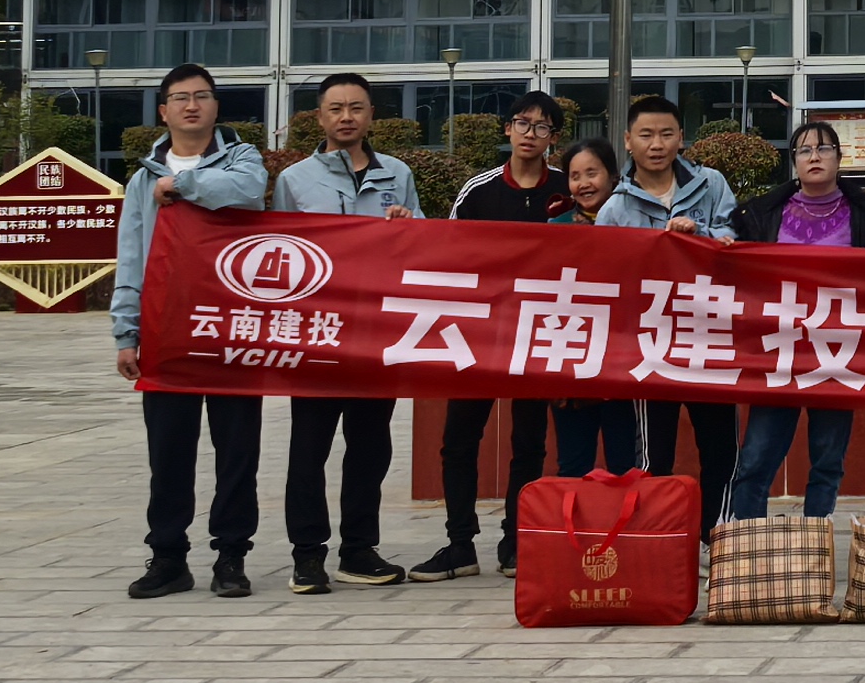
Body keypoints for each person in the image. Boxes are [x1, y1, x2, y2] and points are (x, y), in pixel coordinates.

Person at [109, 62, 275, 598]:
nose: (191, 106)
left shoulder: (243, 158)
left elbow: (247, 192)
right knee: (169, 449)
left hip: (232, 325)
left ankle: (231, 555)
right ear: (164, 110)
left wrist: (180, 184)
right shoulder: (140, 180)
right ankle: (168, 557)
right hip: (167, 327)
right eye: (180, 98)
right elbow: (131, 256)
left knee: (237, 448)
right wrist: (125, 332)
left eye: (202, 96)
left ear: (216, 107)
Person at [272, 72, 423, 593]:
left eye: (356, 108)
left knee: (369, 446)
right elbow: (281, 256)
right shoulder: (295, 180)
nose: (346, 117)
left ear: (370, 115)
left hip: (377, 333)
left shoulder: (397, 174)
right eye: (335, 108)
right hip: (317, 334)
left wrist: (407, 224)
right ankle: (307, 554)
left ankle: (359, 549)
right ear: (319, 118)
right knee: (308, 448)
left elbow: (424, 247)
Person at [429, 91, 571, 577]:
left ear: (555, 138)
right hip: (479, 335)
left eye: (543, 127)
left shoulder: (566, 188)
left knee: (529, 441)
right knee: (458, 439)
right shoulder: (479, 190)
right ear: (507, 130)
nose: (531, 134)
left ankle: (517, 541)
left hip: (539, 333)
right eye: (523, 124)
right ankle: (459, 544)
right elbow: (449, 256)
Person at [727, 118, 865, 520]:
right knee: (755, 461)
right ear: (794, 162)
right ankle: (746, 548)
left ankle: (815, 547)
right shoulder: (761, 214)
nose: (815, 156)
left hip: (835, 353)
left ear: (840, 159)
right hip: (777, 353)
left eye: (824, 149)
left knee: (827, 462)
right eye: (805, 150)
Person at [614, 98, 741, 515]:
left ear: (681, 139)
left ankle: (716, 536)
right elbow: (606, 276)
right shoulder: (616, 207)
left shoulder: (712, 184)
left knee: (721, 447)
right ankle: (659, 537)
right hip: (651, 346)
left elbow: (735, 241)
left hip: (710, 337)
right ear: (628, 141)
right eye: (646, 135)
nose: (657, 144)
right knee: (653, 455)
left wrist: (699, 233)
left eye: (667, 134)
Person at [548, 133, 649, 476]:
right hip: (572, 362)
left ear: (612, 175)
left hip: (624, 359)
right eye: (574, 177)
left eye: (592, 173)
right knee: (572, 465)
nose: (583, 184)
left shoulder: (636, 223)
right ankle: (577, 531)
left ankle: (623, 529)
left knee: (626, 464)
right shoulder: (554, 229)